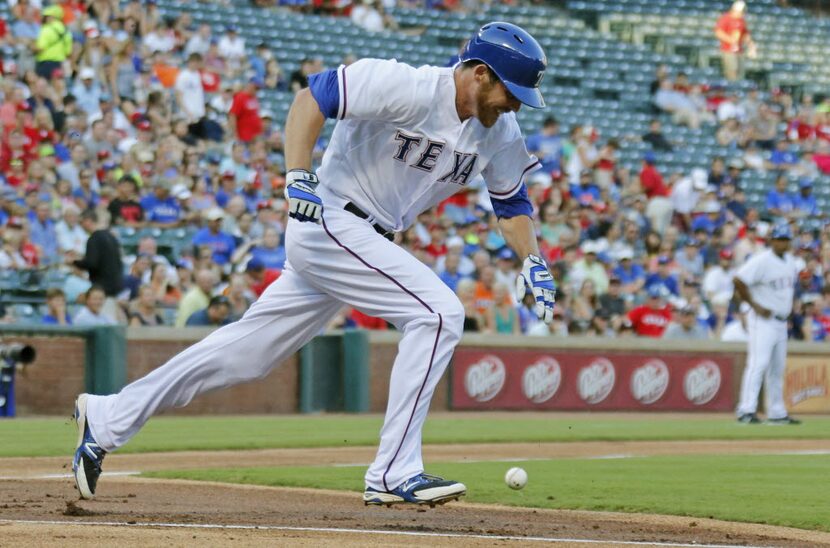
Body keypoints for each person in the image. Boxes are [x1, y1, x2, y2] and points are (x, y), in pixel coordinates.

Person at [71, 22, 556, 507]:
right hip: (330, 219)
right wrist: (298, 174)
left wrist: (532, 260)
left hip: (365, 240)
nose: (514, 105)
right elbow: (313, 97)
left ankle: (108, 416)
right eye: (510, 92)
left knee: (247, 356)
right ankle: (393, 471)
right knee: (438, 313)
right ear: (479, 74)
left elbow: (511, 204)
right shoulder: (406, 86)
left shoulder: (500, 133)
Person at [733, 223, 801, 425]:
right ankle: (746, 409)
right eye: (779, 239)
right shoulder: (762, 260)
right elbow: (738, 280)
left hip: (781, 321)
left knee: (777, 369)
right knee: (758, 364)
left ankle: (777, 412)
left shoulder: (790, 261)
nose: (783, 243)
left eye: (786, 239)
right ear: (771, 241)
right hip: (762, 320)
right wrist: (754, 304)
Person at [71, 209, 124, 322]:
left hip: (102, 290)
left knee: (103, 327)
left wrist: (74, 262)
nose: (81, 226)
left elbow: (91, 263)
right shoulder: (111, 236)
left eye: (82, 222)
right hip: (114, 288)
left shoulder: (94, 238)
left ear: (88, 221)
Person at [714, 1, 756, 81]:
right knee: (732, 70)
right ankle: (732, 88)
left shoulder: (741, 20)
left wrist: (751, 45)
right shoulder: (725, 18)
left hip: (739, 50)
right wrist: (730, 40)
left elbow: (745, 34)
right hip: (728, 49)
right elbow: (718, 32)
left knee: (740, 71)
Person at [33, 5, 72, 80]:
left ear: (51, 17)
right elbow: (68, 52)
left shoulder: (47, 29)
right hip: (60, 64)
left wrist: (30, 46)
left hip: (46, 64)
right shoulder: (66, 31)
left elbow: (39, 48)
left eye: (46, 16)